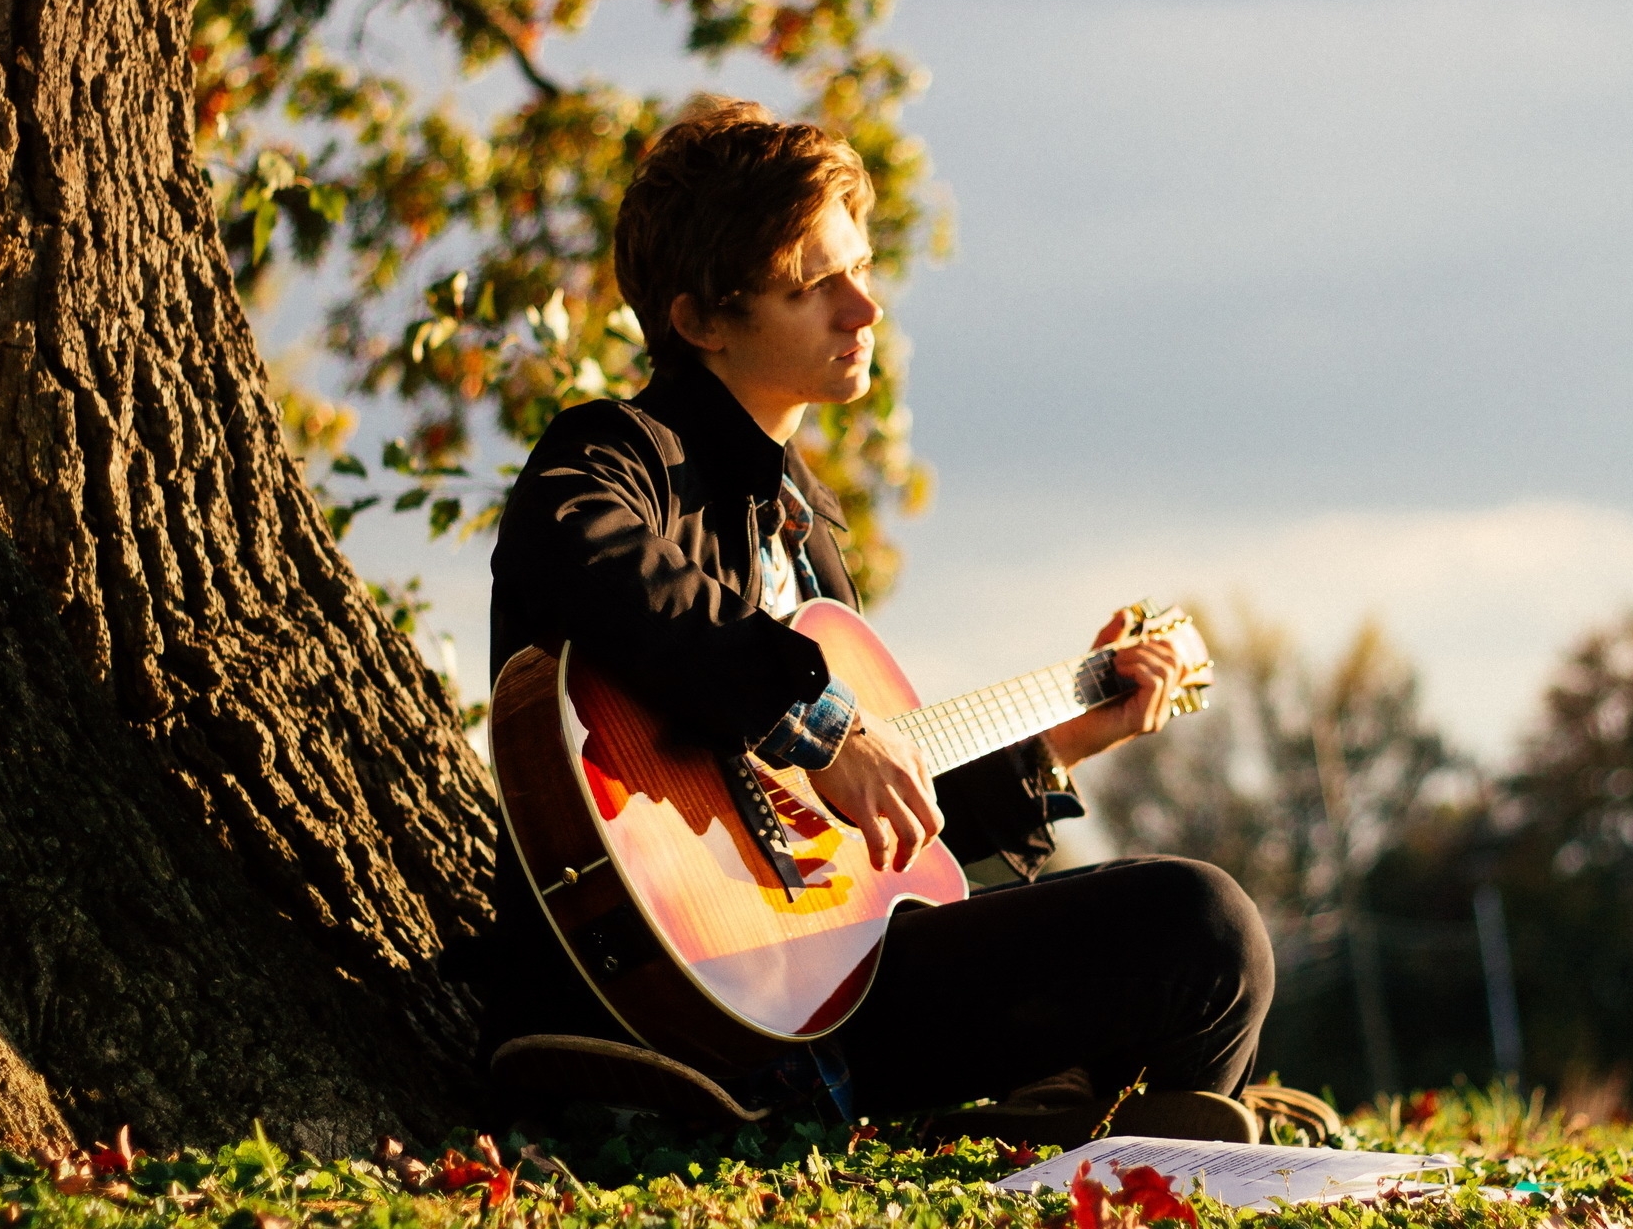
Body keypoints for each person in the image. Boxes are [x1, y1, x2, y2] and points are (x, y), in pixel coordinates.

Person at [472, 98, 1277, 1141]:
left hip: (827, 989)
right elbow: (574, 551)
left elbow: (868, 849)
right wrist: (819, 725)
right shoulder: (622, 455)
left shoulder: (808, 534)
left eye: (862, 270)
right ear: (702, 319)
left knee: (1204, 940)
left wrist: (1058, 745)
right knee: (1201, 920)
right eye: (815, 285)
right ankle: (1077, 1128)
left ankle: (1105, 1145)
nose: (865, 309)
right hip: (663, 995)